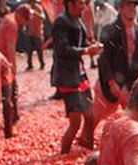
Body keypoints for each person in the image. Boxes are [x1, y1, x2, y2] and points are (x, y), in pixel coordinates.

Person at [93, 0, 138, 136]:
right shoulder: (110, 30)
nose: (132, 8)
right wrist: (110, 81)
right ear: (120, 8)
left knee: (135, 117)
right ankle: (85, 140)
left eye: (134, 5)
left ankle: (128, 142)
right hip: (110, 82)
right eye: (128, 5)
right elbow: (103, 58)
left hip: (131, 82)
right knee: (95, 117)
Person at [54, 0, 102, 153]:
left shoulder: (77, 19)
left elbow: (81, 41)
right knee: (75, 122)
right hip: (68, 77)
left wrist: (91, 43)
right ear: (71, 4)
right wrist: (86, 50)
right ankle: (63, 154)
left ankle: (86, 146)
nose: (84, 7)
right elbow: (62, 49)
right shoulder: (61, 22)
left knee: (90, 116)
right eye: (80, 3)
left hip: (80, 74)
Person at [26, 0, 46, 70]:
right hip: (30, 31)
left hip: (38, 32)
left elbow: (43, 17)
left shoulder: (38, 8)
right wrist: (25, 26)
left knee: (39, 49)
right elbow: (26, 19)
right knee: (29, 49)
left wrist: (35, 13)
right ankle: (29, 64)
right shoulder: (28, 8)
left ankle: (42, 63)